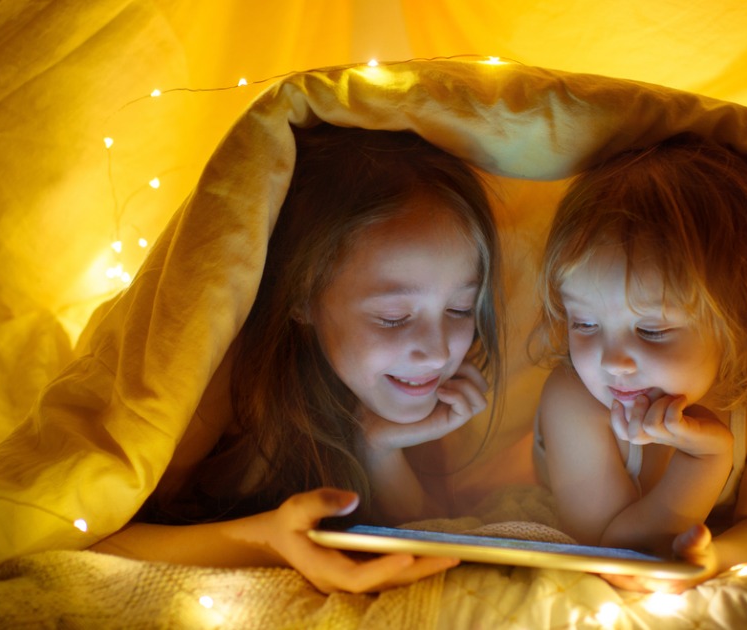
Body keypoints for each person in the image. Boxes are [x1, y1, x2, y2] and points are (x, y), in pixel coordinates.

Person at [91, 124, 504, 594]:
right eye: (393, 317)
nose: (438, 349)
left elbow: (421, 535)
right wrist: (267, 540)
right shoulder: (220, 380)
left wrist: (378, 449)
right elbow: (96, 540)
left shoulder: (394, 382)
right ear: (301, 295)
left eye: (460, 309)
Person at [533, 133, 747, 591]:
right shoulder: (574, 400)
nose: (612, 362)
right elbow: (620, 554)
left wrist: (715, 558)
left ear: (734, 320)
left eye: (651, 330)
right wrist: (704, 459)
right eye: (584, 323)